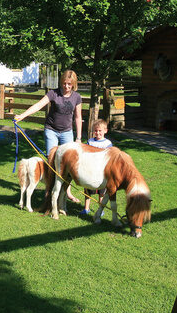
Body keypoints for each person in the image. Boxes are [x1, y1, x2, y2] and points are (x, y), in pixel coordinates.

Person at [14, 69, 83, 203]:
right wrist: (22, 116)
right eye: (64, 83)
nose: (66, 86)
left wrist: (79, 138)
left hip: (67, 132)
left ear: (73, 84)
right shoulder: (53, 93)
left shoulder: (77, 97)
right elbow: (39, 105)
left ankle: (67, 192)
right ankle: (50, 189)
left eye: (69, 84)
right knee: (52, 162)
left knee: (67, 164)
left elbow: (78, 117)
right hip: (51, 130)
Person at [81, 118, 113, 216]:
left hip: (102, 172)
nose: (97, 132)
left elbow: (109, 157)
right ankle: (86, 208)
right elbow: (85, 153)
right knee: (87, 189)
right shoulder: (90, 141)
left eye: (100, 131)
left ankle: (100, 209)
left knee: (102, 192)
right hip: (90, 170)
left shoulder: (107, 143)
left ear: (105, 131)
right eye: (95, 130)